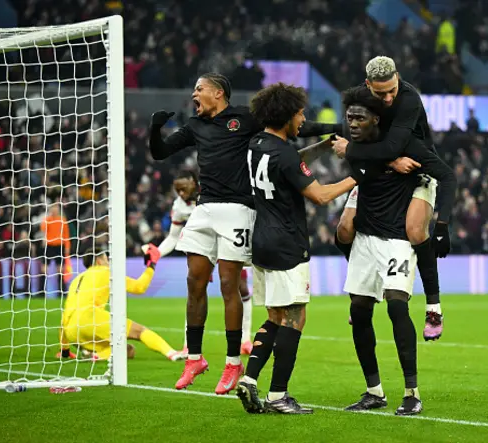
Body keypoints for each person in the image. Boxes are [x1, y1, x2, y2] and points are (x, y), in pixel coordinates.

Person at [148, 73, 341, 394]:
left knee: (228, 284)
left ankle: (232, 363)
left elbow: (293, 125)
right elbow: (160, 152)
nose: (194, 94)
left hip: (239, 209)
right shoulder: (195, 126)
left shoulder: (244, 118)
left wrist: (335, 130)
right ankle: (194, 358)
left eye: (199, 89)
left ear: (218, 93)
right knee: (194, 280)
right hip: (205, 208)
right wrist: (156, 128)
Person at [235, 83, 356, 414]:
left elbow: (287, 164)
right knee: (295, 316)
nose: (304, 118)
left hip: (261, 241)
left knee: (274, 315)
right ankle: (279, 395)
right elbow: (320, 195)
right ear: (286, 114)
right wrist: (358, 176)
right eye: (300, 113)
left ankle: (249, 379)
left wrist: (319, 148)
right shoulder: (284, 154)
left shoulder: (256, 144)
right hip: (287, 242)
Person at [338, 86, 455, 416]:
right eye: (350, 119)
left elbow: (445, 175)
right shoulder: (358, 148)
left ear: (376, 118)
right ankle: (374, 391)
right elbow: (351, 152)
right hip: (367, 237)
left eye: (360, 118)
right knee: (359, 310)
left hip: (397, 241)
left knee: (396, 308)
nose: (353, 124)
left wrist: (443, 224)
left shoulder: (408, 145)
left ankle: (412, 392)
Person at [332, 56, 449, 341]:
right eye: (380, 92)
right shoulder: (360, 100)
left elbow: (394, 146)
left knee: (414, 229)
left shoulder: (408, 99)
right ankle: (363, 290)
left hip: (417, 168)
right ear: (367, 84)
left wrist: (355, 152)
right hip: (378, 168)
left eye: (391, 90)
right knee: (345, 228)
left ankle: (433, 307)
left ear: (398, 77)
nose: (387, 98)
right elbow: (359, 136)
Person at [149, 171, 255, 355]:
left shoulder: (212, 190)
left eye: (183, 189)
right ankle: (189, 345)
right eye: (177, 190)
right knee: (195, 291)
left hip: (226, 242)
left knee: (242, 288)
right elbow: (173, 237)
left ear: (194, 181)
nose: (181, 194)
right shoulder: (180, 206)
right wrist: (156, 253)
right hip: (202, 249)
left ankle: (245, 341)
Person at [58, 245, 184, 361]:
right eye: (106, 258)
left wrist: (65, 351)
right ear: (98, 260)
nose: (108, 261)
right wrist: (152, 265)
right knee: (139, 331)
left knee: (128, 350)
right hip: (90, 319)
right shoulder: (105, 272)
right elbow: (139, 287)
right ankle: (172, 353)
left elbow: (64, 317)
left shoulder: (76, 280)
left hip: (71, 331)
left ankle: (95, 354)